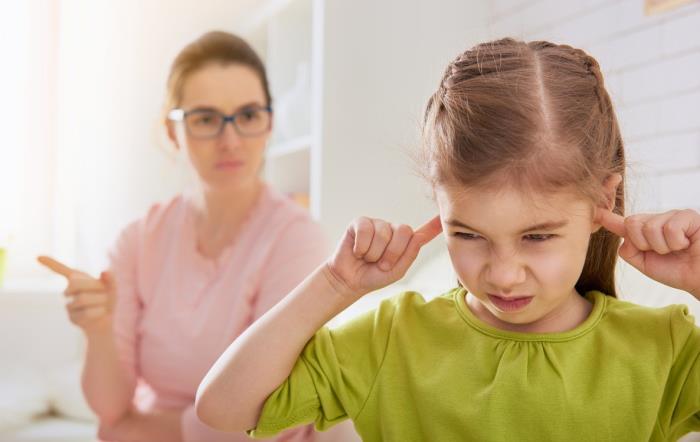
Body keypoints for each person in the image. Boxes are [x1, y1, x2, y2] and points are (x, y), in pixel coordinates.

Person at [195, 38, 700, 441]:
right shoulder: (390, 337)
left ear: (603, 203)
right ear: (438, 206)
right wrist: (334, 284)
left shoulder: (664, 348)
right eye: (469, 234)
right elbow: (222, 409)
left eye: (538, 236)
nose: (502, 273)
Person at [38, 31, 328, 442]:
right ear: (173, 131)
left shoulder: (297, 240)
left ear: (269, 123)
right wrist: (98, 330)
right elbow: (108, 408)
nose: (230, 140)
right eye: (206, 119)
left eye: (247, 115)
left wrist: (142, 431)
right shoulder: (137, 242)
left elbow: (274, 414)